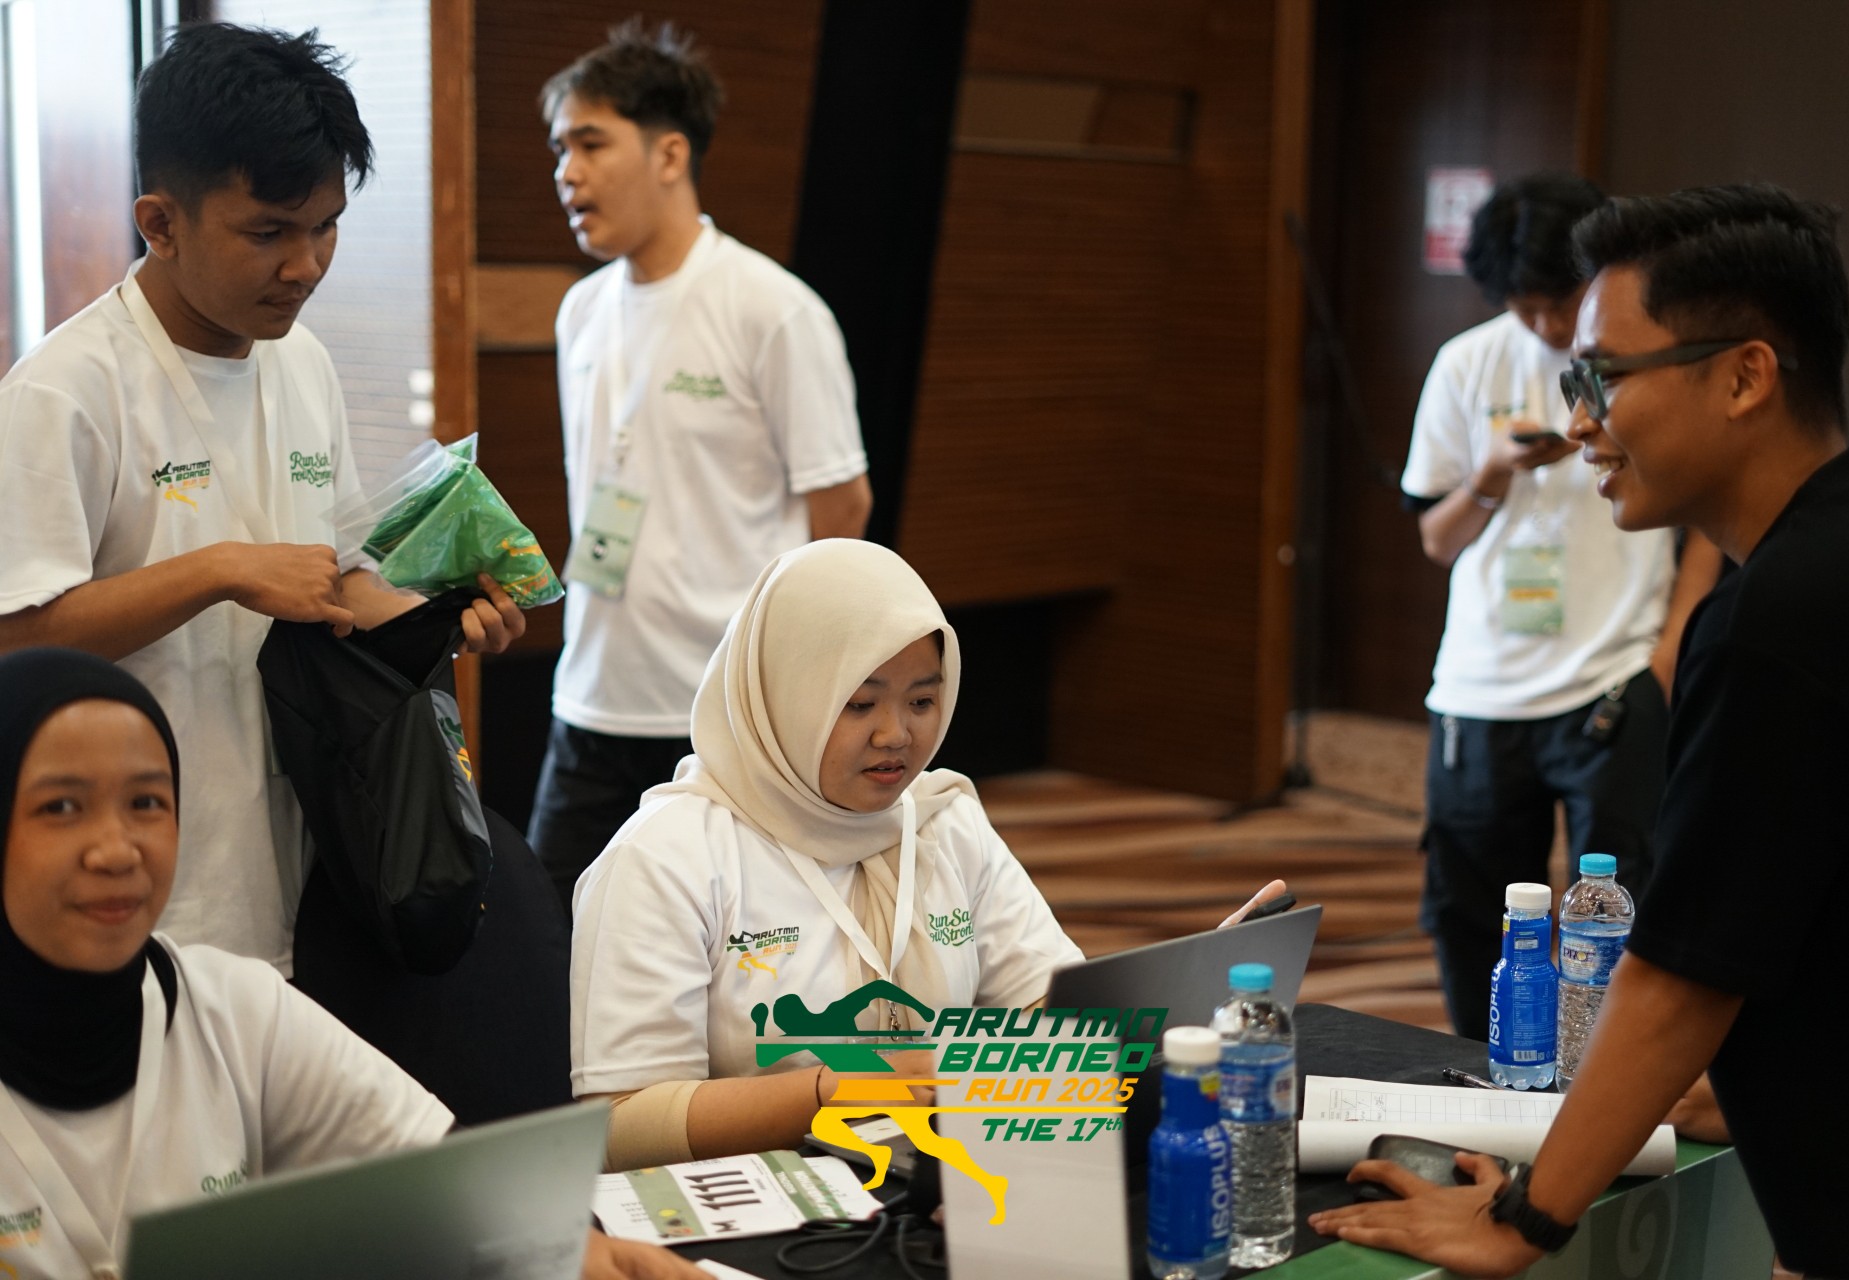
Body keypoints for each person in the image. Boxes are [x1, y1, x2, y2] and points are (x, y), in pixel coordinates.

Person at [1310, 184, 1849, 1278]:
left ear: (1745, 376)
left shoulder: (1783, 614)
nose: (1581, 419)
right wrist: (1748, 1081)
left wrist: (1521, 1219)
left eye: (1603, 377)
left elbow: (1683, 974)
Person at [0, 23, 524, 975]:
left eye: (326, 226)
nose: (306, 265)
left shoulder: (303, 363)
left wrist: (435, 618)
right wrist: (217, 573)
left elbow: (332, 582)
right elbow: (16, 642)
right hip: (138, 900)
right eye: (269, 233)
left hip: (307, 871)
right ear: (160, 223)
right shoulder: (63, 393)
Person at [0, 648, 695, 1280]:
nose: (116, 850)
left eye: (147, 802)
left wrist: (576, 1251)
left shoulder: (233, 1008)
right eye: (61, 807)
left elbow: (443, 1174)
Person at [569, 539, 1082, 1171]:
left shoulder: (942, 820)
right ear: (785, 696)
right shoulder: (667, 857)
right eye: (859, 704)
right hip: (758, 1198)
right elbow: (620, 1126)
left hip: (930, 1174)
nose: (896, 734)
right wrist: (833, 1090)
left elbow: (1052, 1005)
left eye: (922, 701)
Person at [531, 19, 873, 907]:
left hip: (725, 720)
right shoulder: (580, 312)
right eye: (559, 148)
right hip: (592, 696)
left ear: (670, 154)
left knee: (738, 958)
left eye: (590, 143)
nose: (566, 171)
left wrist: (786, 689)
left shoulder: (772, 308)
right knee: (551, 947)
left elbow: (842, 509)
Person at [1400, 173, 1722, 1038]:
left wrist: (1665, 659)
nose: (1545, 325)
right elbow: (1436, 539)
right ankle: (1485, 1077)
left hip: (1612, 682)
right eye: (1525, 307)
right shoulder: (1467, 363)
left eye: (1560, 301)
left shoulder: (1641, 364)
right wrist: (1491, 474)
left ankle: (1602, 1085)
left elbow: (1706, 517)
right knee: (1473, 917)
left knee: (1625, 915)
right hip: (1481, 690)